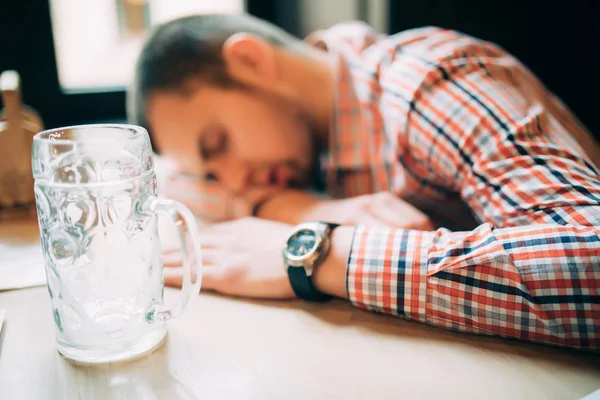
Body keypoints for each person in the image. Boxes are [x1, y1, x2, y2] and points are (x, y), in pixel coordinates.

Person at [128, 14, 600, 350]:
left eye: (218, 144)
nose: (232, 178)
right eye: (211, 171)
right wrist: (293, 207)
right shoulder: (300, 139)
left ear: (252, 61)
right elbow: (173, 177)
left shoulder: (427, 87)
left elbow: (590, 255)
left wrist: (320, 254)